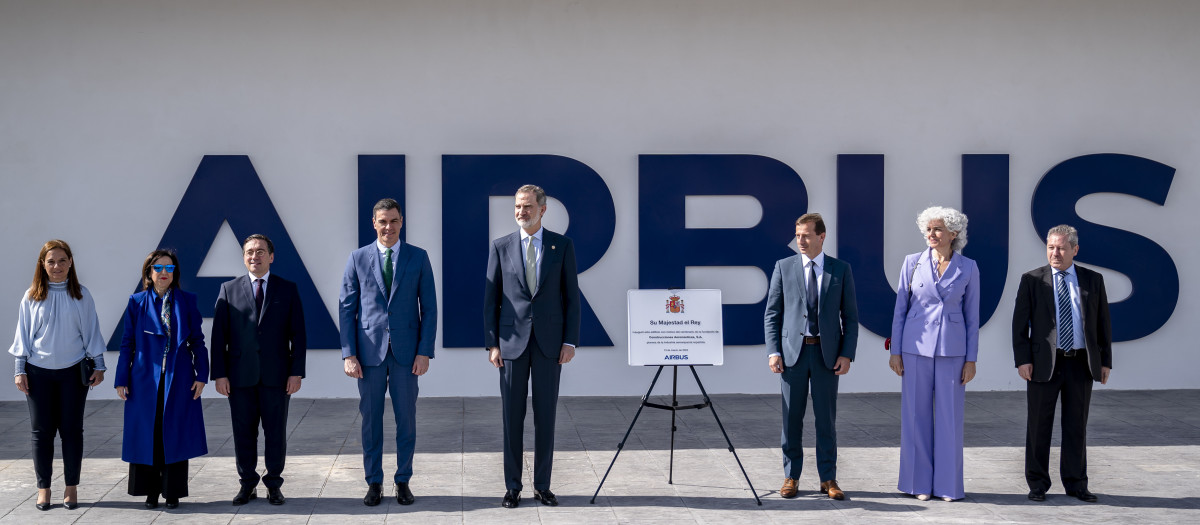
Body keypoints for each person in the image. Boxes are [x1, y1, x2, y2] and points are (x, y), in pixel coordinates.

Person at [484, 184, 580, 509]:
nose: (521, 212)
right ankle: (513, 486)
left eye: (527, 207)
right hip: (510, 345)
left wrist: (569, 341)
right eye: (517, 207)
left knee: (546, 417)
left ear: (543, 209)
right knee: (512, 418)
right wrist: (492, 344)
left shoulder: (562, 246)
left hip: (549, 345)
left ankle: (543, 485)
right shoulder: (501, 246)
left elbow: (572, 299)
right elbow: (491, 301)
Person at [339, 198, 437, 506]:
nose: (388, 227)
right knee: (371, 421)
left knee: (406, 420)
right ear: (374, 223)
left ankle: (403, 480)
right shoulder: (357, 258)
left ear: (401, 222)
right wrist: (348, 354)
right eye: (382, 221)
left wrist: (425, 352)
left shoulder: (418, 257)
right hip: (368, 356)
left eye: (393, 221)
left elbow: (430, 309)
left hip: (407, 354)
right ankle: (374, 482)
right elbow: (346, 309)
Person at [1012, 225, 1111, 503]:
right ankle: (1038, 484)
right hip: (1044, 364)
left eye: (1061, 248)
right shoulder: (1032, 280)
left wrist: (1105, 362)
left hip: (1080, 363)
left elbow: (1103, 323)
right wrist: (1023, 360)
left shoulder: (1093, 279)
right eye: (1051, 247)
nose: (1055, 253)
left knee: (1076, 425)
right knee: (1038, 425)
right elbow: (1020, 324)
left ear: (1075, 250)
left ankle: (1076, 483)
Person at [764, 213, 859, 500]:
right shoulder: (784, 267)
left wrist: (847, 354)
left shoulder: (840, 270)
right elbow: (772, 313)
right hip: (793, 354)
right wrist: (773, 351)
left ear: (822, 236)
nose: (800, 240)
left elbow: (851, 318)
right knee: (791, 419)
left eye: (806, 235)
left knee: (825, 420)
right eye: (798, 235)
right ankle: (791, 477)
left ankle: (828, 478)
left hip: (826, 355)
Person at [888, 206, 980, 502]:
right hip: (915, 349)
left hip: (953, 351)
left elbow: (972, 318)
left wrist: (971, 359)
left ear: (954, 234)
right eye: (928, 229)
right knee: (914, 416)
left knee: (950, 419)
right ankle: (917, 484)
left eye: (937, 229)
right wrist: (896, 352)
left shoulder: (968, 267)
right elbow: (900, 309)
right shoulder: (911, 263)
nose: (931, 234)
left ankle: (948, 486)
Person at [9, 240, 107, 511]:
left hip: (72, 374)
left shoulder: (82, 295)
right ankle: (44, 489)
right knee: (41, 433)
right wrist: (20, 370)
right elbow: (23, 336)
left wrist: (98, 365)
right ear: (42, 264)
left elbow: (91, 332)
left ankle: (71, 487)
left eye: (62, 260)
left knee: (72, 431)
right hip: (38, 374)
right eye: (51, 261)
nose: (57, 266)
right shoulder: (31, 296)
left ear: (71, 262)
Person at [211, 234, 307, 506]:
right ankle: (247, 484)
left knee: (275, 433)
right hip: (240, 377)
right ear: (244, 257)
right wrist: (219, 374)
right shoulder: (228, 289)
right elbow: (219, 337)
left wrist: (296, 371)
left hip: (277, 376)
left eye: (261, 251)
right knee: (244, 433)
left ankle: (274, 484)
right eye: (250, 252)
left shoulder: (287, 289)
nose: (255, 256)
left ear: (271, 256)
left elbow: (298, 334)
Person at [114, 249, 208, 510]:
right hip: (144, 379)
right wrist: (122, 378)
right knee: (149, 433)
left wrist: (202, 375)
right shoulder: (136, 302)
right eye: (158, 268)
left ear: (175, 273)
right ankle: (150, 491)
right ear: (149, 272)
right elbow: (127, 344)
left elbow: (197, 341)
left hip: (178, 379)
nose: (164, 273)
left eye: (169, 268)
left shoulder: (187, 301)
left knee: (174, 433)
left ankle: (172, 491)